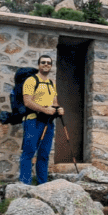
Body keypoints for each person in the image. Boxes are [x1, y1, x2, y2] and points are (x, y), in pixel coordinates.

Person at [19, 55, 64, 185]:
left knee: (44, 154)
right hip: (32, 121)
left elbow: (54, 102)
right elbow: (27, 102)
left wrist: (59, 109)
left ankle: (42, 184)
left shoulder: (52, 83)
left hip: (48, 122)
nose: (46, 64)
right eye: (43, 62)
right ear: (39, 65)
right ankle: (25, 184)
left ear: (51, 66)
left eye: (48, 63)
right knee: (29, 152)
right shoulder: (31, 81)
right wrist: (44, 110)